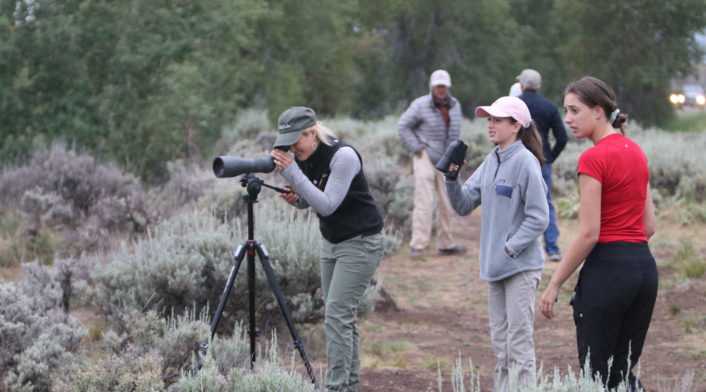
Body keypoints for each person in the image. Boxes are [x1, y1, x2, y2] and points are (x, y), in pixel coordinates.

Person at [539, 77, 658, 391]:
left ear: (598, 111)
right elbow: (649, 226)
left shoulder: (592, 158)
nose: (567, 119)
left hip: (608, 271)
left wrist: (555, 283)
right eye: (566, 111)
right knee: (624, 373)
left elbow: (589, 234)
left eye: (574, 110)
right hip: (644, 271)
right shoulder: (637, 151)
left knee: (596, 376)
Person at [270, 107, 385, 392]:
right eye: (288, 141)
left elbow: (328, 204)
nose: (293, 148)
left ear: (313, 132)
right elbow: (312, 197)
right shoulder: (304, 156)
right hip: (332, 241)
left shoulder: (343, 156)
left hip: (361, 242)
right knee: (341, 317)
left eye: (297, 140)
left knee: (337, 316)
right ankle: (349, 385)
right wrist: (296, 199)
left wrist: (293, 173)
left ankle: (336, 387)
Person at [443, 96, 549, 391]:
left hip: (520, 268)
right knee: (501, 346)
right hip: (494, 268)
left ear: (516, 126)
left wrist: (511, 247)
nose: (490, 125)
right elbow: (464, 205)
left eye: (497, 120)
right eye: (488, 119)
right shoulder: (493, 160)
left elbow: (540, 217)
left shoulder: (525, 161)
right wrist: (452, 179)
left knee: (518, 344)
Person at [398, 69, 467, 258]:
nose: (441, 90)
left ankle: (446, 243)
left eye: (444, 86)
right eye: (438, 86)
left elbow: (455, 133)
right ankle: (418, 244)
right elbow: (403, 126)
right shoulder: (420, 105)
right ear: (432, 87)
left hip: (446, 157)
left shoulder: (455, 105)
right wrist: (417, 148)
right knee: (424, 199)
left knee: (447, 200)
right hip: (425, 156)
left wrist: (457, 156)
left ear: (448, 87)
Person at [517, 69, 568, 261]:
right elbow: (562, 138)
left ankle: (519, 246)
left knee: (517, 204)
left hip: (517, 161)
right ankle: (553, 248)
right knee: (545, 203)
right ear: (538, 86)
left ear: (522, 84)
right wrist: (550, 157)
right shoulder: (549, 107)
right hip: (541, 161)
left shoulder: (515, 105)